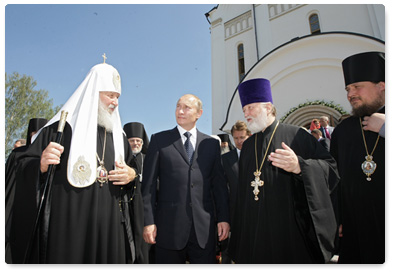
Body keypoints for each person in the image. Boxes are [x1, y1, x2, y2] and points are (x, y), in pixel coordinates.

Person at [11, 60, 141, 264]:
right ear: (93, 92)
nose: (115, 102)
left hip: (109, 226)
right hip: (69, 226)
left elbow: (134, 172)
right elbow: (20, 164)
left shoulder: (120, 137)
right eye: (110, 95)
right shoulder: (61, 128)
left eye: (117, 97)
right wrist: (41, 164)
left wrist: (131, 175)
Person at [228, 78, 339, 263]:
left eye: (251, 107)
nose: (246, 113)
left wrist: (300, 166)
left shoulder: (297, 135)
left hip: (289, 230)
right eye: (244, 109)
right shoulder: (247, 147)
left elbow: (331, 169)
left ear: (268, 107)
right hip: (255, 231)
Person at [142, 94, 230, 264]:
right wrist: (148, 222)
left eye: (186, 107)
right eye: (177, 106)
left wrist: (224, 218)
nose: (180, 111)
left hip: (204, 229)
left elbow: (219, 185)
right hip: (169, 229)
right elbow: (149, 186)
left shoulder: (211, 144)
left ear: (199, 113)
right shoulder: (159, 140)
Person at [330, 51, 385, 263]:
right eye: (347, 89)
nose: (351, 93)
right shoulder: (343, 131)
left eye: (357, 86)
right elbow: (335, 180)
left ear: (382, 85)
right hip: (355, 230)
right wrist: (338, 218)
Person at [5, 118, 48, 264]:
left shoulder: (49, 156)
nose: (35, 137)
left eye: (40, 133)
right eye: (33, 133)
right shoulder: (18, 153)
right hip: (15, 201)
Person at [220, 120, 251, 264]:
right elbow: (222, 188)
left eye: (242, 138)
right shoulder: (226, 159)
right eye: (236, 138)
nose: (239, 141)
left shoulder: (259, 156)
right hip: (233, 213)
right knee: (230, 251)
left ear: (249, 136)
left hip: (254, 212)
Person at [123, 121, 150, 263]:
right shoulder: (120, 157)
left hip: (143, 205)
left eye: (138, 141)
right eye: (132, 140)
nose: (135, 143)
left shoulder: (148, 159)